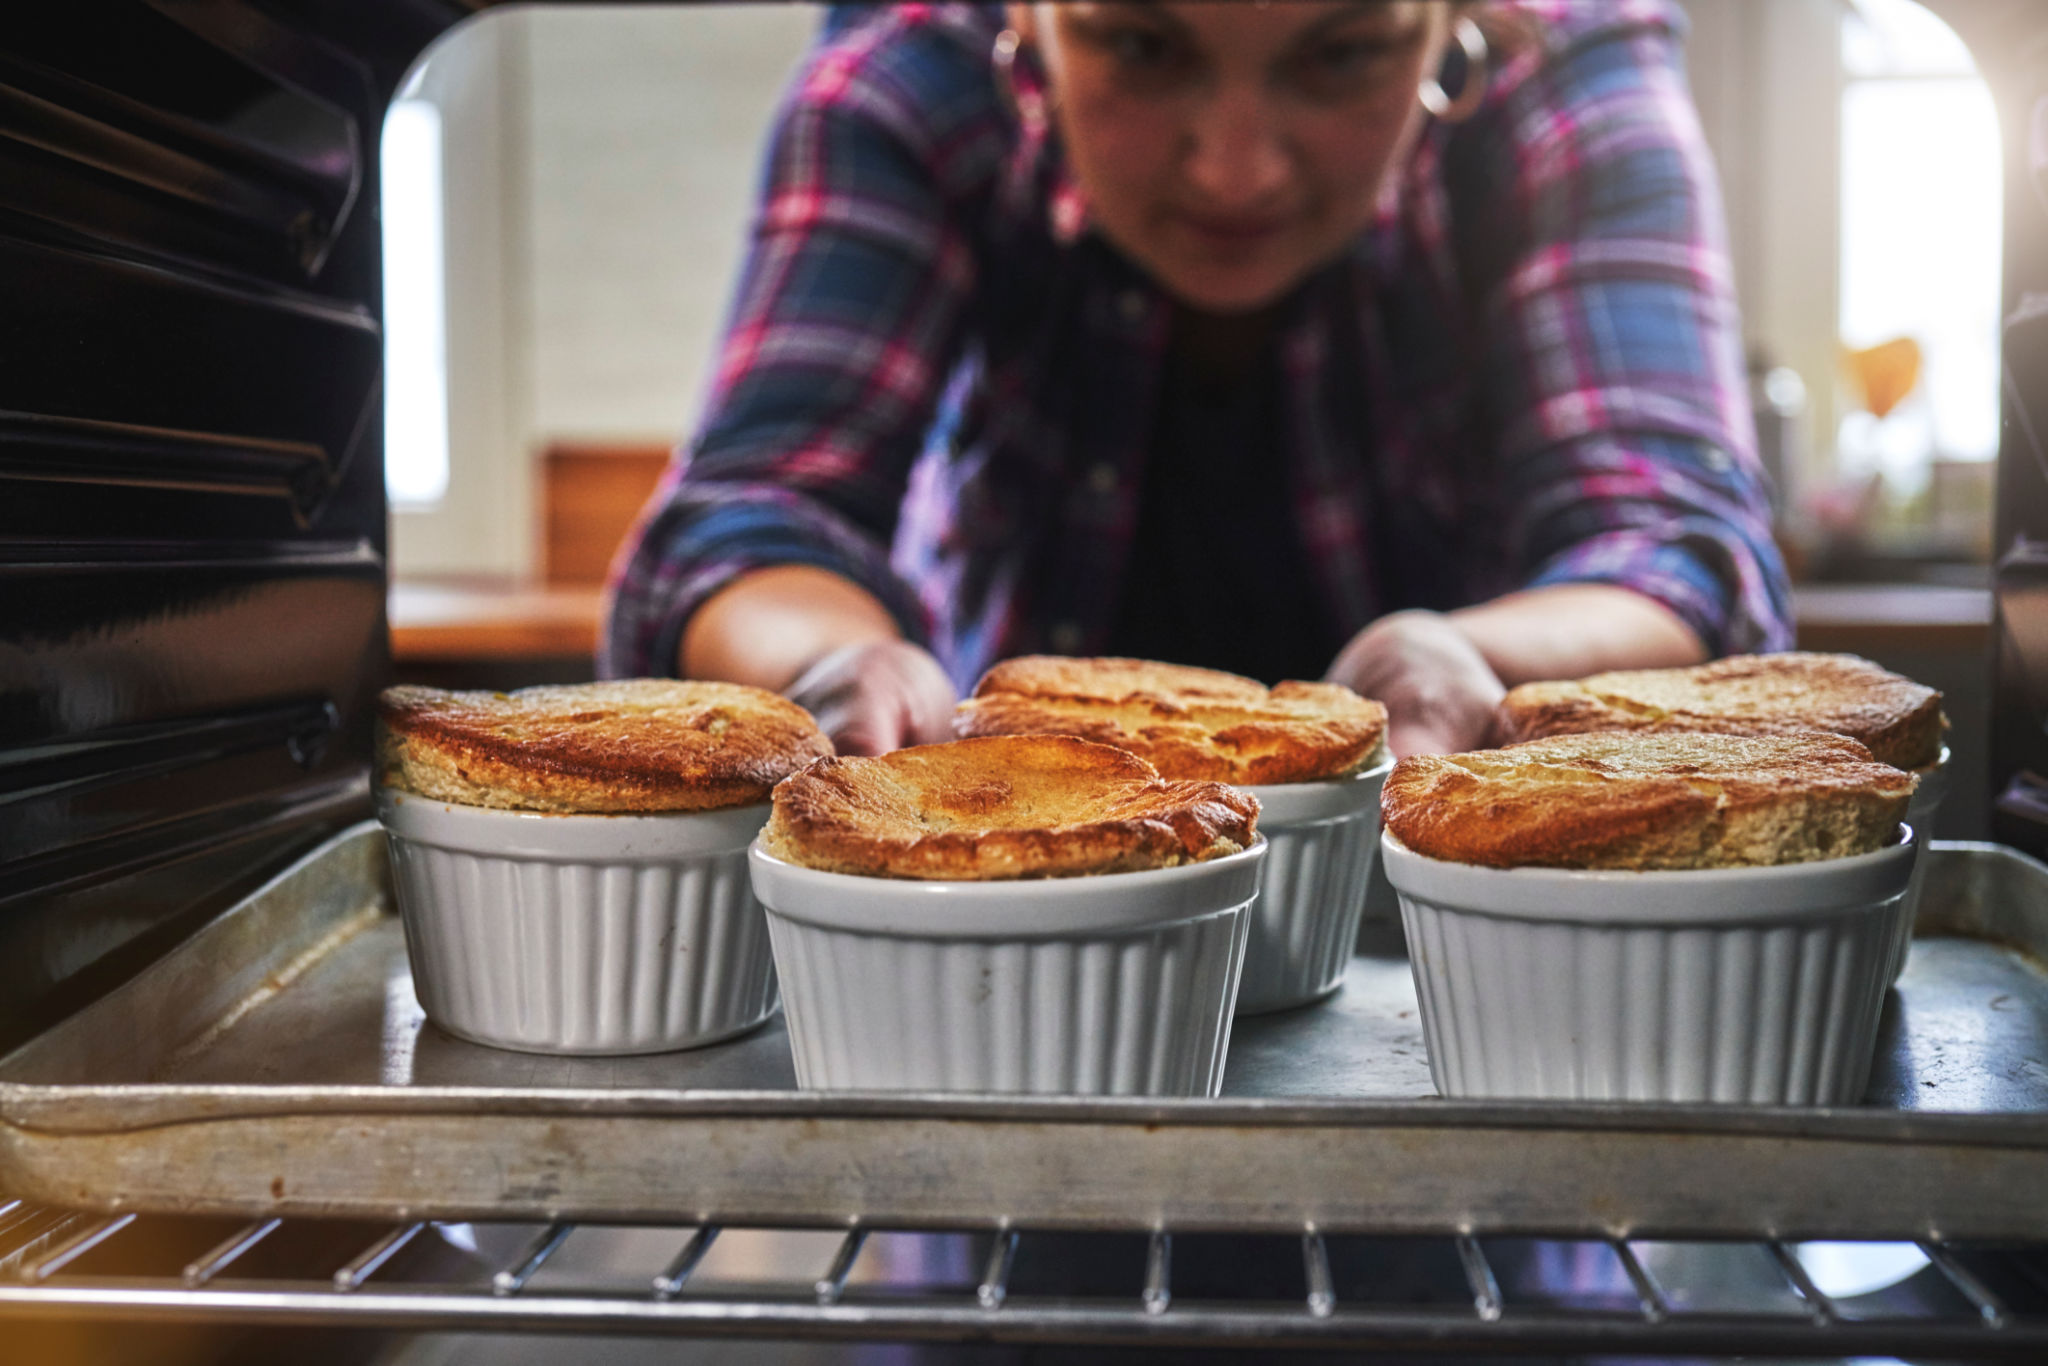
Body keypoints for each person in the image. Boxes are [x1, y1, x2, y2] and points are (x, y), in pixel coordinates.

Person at [603, 0, 1792, 759]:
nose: (1235, 170)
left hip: (1458, 892)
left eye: (1341, 54)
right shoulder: (905, 80)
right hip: (1003, 868)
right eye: (1141, 43)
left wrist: (1463, 658)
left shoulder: (1568, 77)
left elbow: (1671, 544)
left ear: (1449, 23)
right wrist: (835, 667)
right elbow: (750, 521)